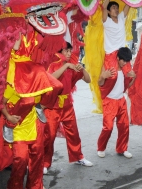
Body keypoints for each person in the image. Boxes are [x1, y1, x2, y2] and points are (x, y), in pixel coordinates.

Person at [43, 43, 93, 174]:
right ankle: (44, 163)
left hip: (67, 105)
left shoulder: (73, 66)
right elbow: (49, 79)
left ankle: (78, 157)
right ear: (60, 51)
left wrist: (82, 69)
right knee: (49, 136)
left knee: (74, 133)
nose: (69, 53)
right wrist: (66, 65)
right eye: (66, 50)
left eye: (70, 51)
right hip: (52, 106)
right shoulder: (53, 65)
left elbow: (88, 80)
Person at [97, 47, 136, 159]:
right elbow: (100, 83)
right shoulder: (109, 67)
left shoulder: (125, 70)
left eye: (127, 61)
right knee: (108, 127)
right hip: (109, 101)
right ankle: (101, 148)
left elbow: (127, 86)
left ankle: (122, 148)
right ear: (118, 58)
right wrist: (103, 76)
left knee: (124, 126)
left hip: (121, 100)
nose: (125, 63)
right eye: (123, 60)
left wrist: (134, 77)